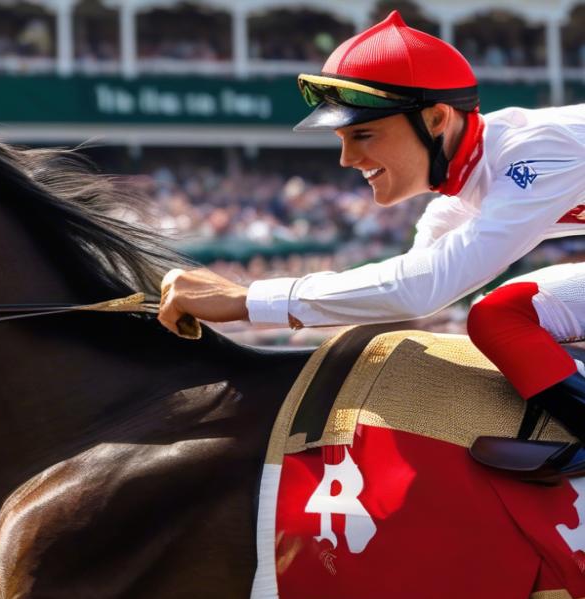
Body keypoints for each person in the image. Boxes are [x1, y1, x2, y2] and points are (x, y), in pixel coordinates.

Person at [157, 11, 585, 473]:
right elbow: (412, 286)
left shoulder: (537, 152)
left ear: (436, 118)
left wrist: (247, 299)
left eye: (363, 134)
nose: (347, 158)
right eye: (343, 138)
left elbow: (421, 289)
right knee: (499, 316)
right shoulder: (464, 187)